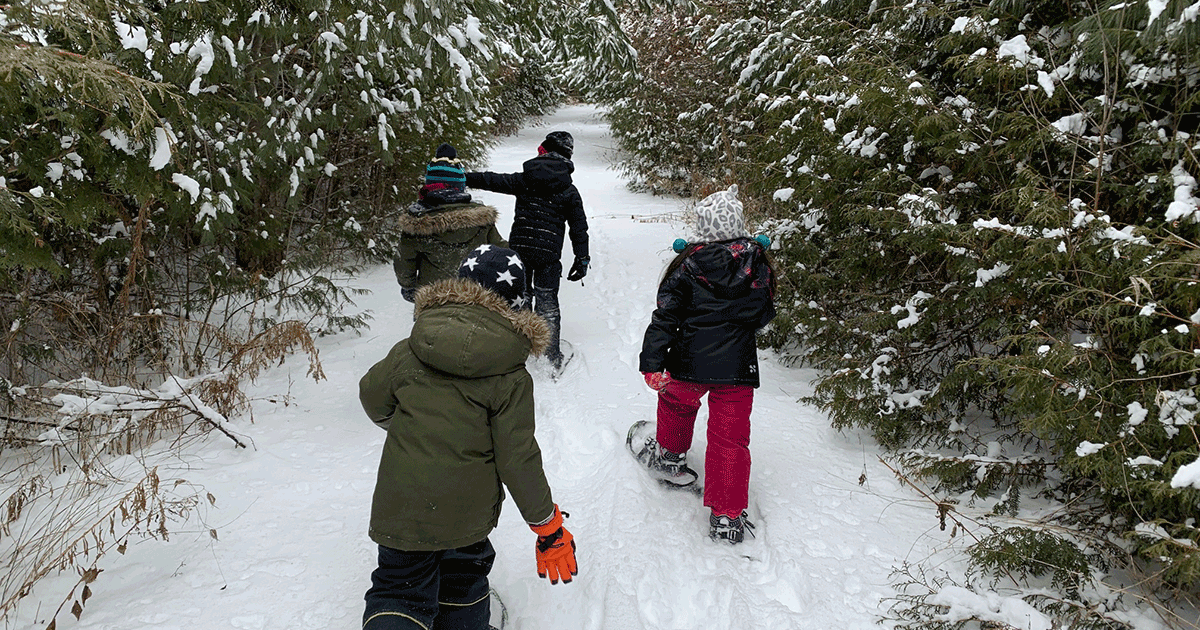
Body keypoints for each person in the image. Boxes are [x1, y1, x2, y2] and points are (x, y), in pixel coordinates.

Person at [358, 244, 578, 630]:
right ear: (517, 303)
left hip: (402, 504)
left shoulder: (411, 349)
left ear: (458, 286)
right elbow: (517, 458)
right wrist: (547, 525)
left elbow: (372, 396)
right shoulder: (509, 375)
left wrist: (404, 425)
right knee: (462, 575)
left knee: (398, 588)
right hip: (466, 509)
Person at [634, 184, 777, 545]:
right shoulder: (757, 265)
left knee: (676, 403)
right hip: (736, 369)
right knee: (730, 439)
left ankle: (669, 456)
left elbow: (665, 316)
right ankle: (727, 517)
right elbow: (762, 314)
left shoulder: (687, 265)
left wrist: (652, 362)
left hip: (688, 362)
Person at [465, 131, 589, 373]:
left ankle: (518, 350)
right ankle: (550, 357)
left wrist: (464, 178)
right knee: (547, 303)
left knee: (519, 299)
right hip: (548, 255)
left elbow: (492, 180)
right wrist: (582, 257)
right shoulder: (569, 190)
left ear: (543, 150)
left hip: (519, 252)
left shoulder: (524, 179)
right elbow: (579, 227)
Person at [394, 143, 506, 303]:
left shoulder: (417, 222)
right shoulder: (482, 219)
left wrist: (409, 286)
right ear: (460, 187)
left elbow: (404, 261)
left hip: (432, 299)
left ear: (429, 186)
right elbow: (501, 252)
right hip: (474, 296)